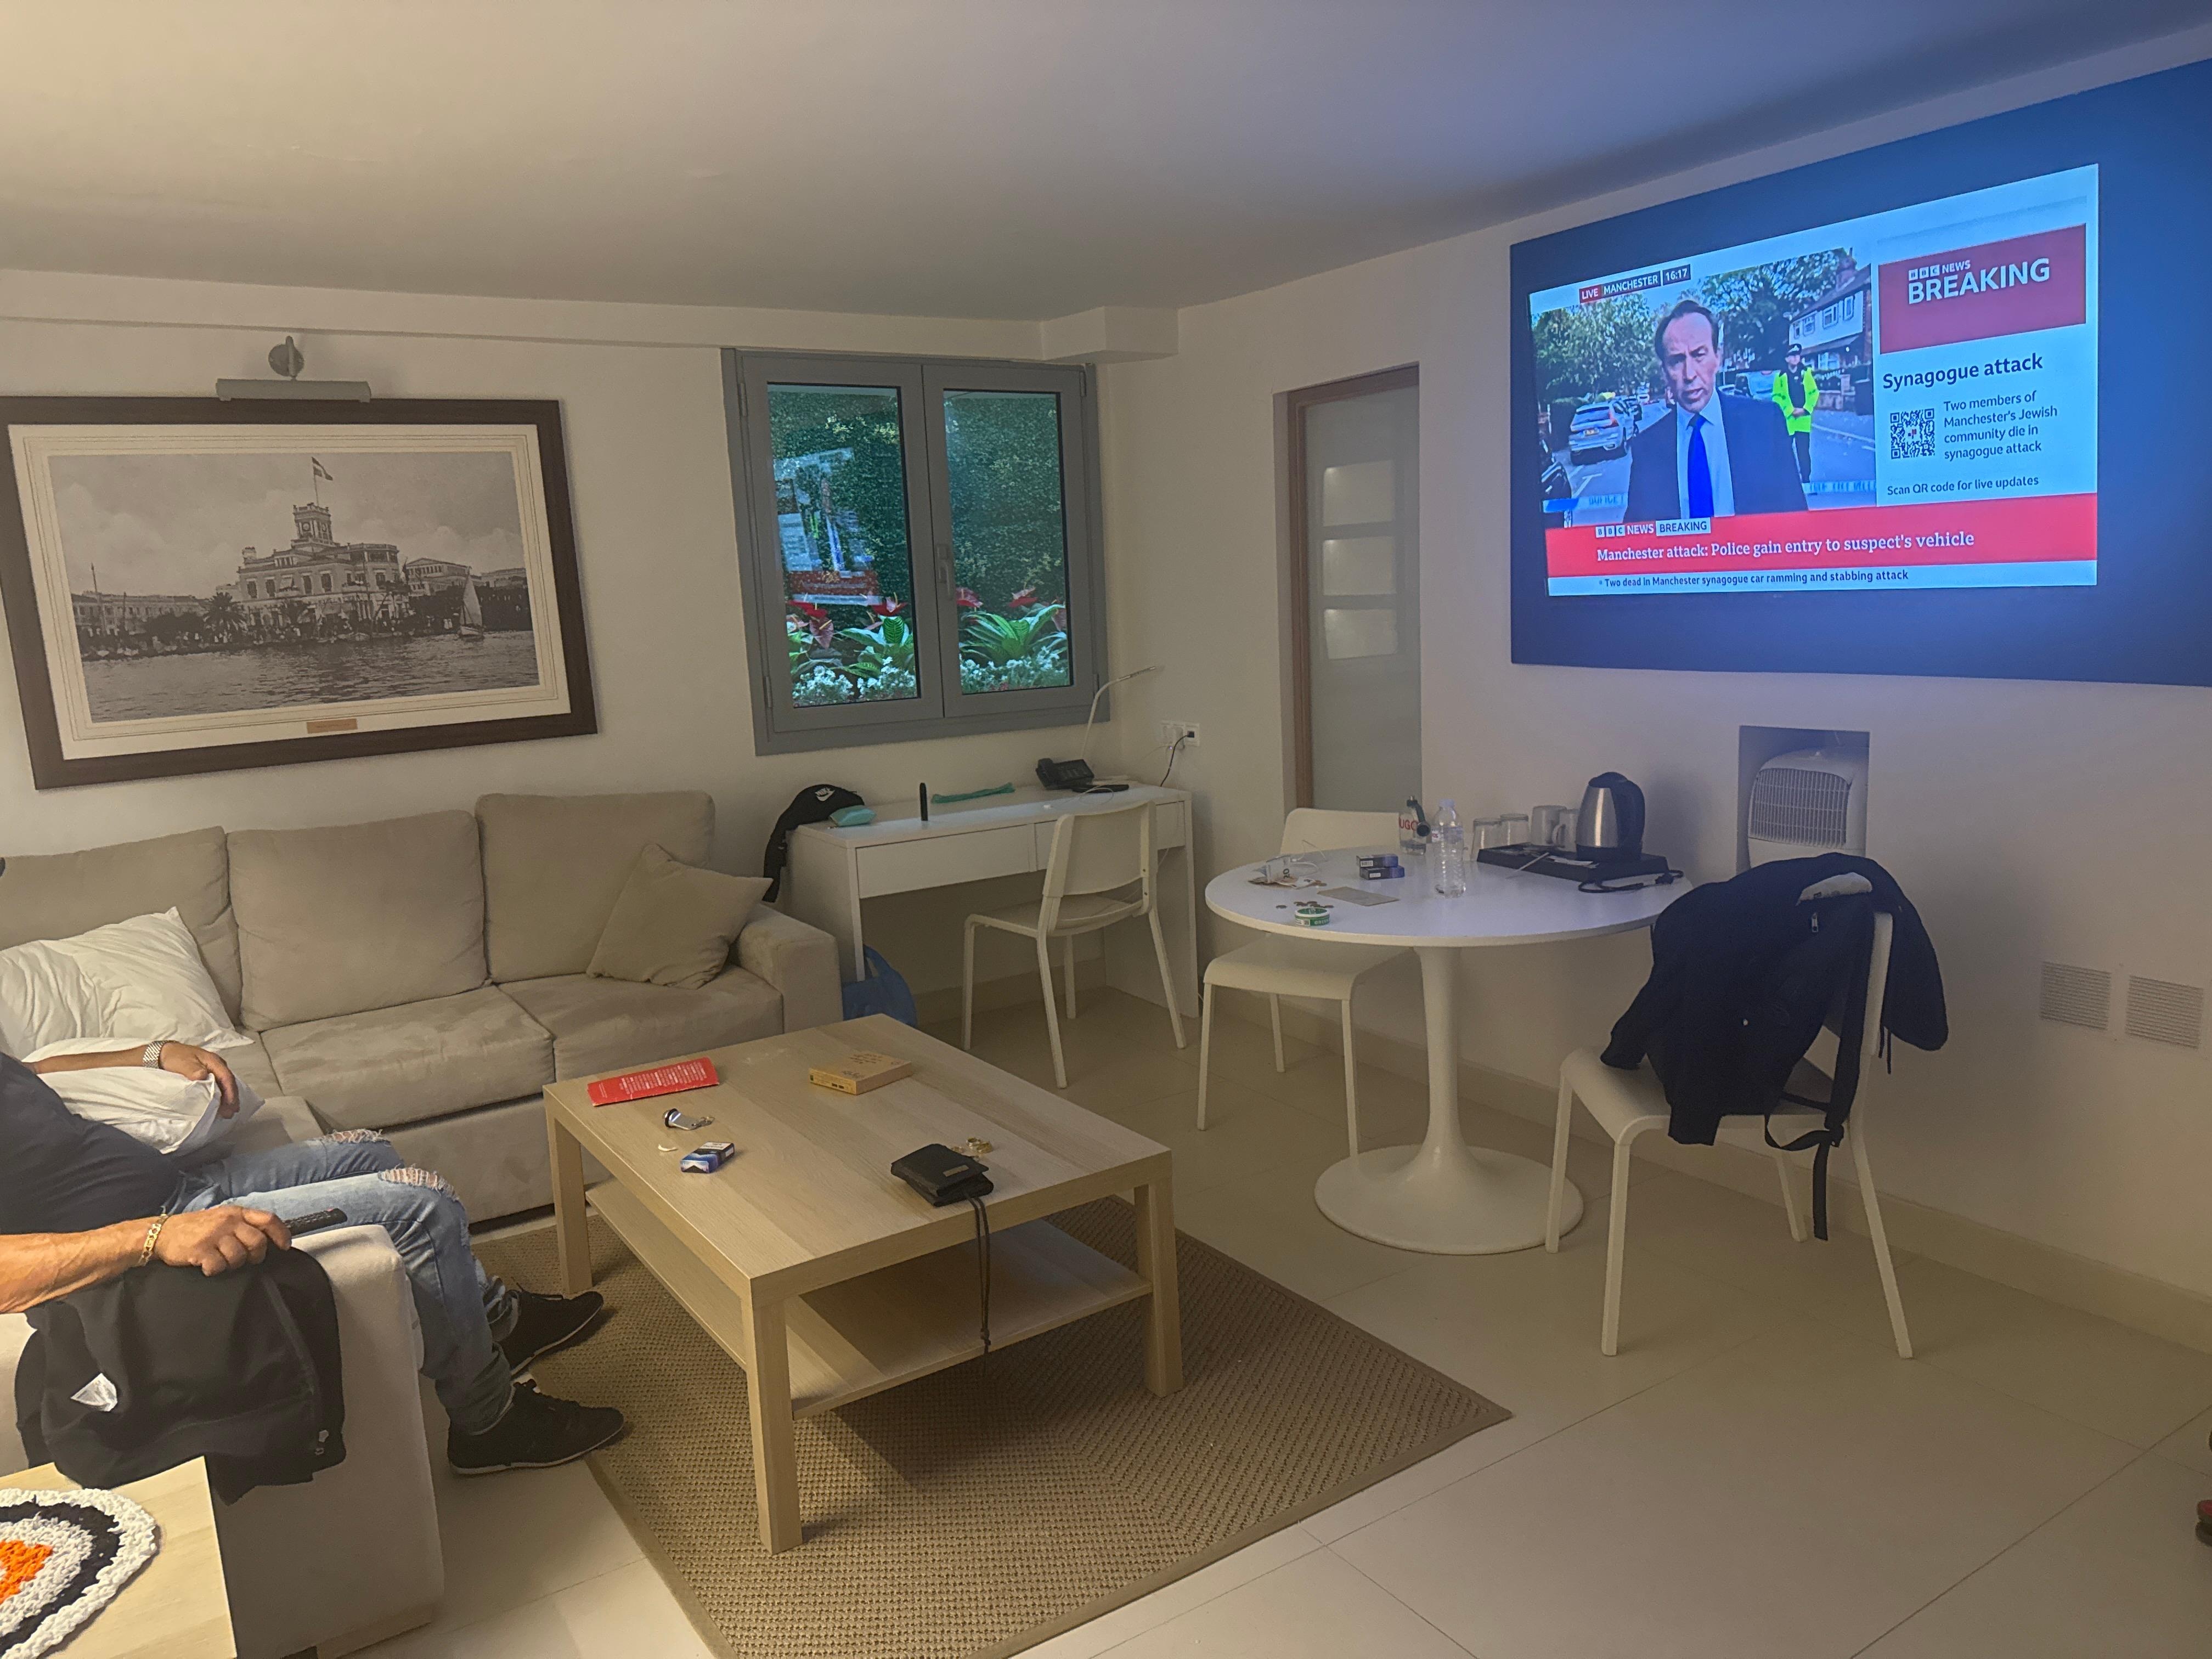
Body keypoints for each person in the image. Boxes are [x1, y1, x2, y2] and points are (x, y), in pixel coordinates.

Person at [0, 1040, 625, 1476]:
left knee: (370, 1151)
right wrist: (155, 1238)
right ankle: (489, 1421)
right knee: (422, 1206)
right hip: (151, 1236)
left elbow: (35, 1069)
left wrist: (152, 1054)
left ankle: (494, 1324)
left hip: (176, 1188)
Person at [1623, 299, 1808, 522]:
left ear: (1718, 357)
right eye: (1677, 361)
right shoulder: (1647, 449)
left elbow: (1797, 522)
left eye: (1699, 355)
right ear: (1664, 371)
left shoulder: (1766, 424)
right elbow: (1637, 536)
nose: (1689, 374)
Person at [1771, 341, 1820, 483]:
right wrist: (1789, 410)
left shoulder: (1806, 374)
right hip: (1788, 420)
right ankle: (1788, 482)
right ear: (1787, 359)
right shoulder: (1780, 377)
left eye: (1797, 355)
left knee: (1803, 452)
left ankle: (1806, 480)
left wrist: (1806, 409)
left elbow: (1814, 393)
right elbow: (1776, 396)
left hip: (1803, 420)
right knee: (1786, 452)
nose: (1795, 358)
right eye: (1792, 356)